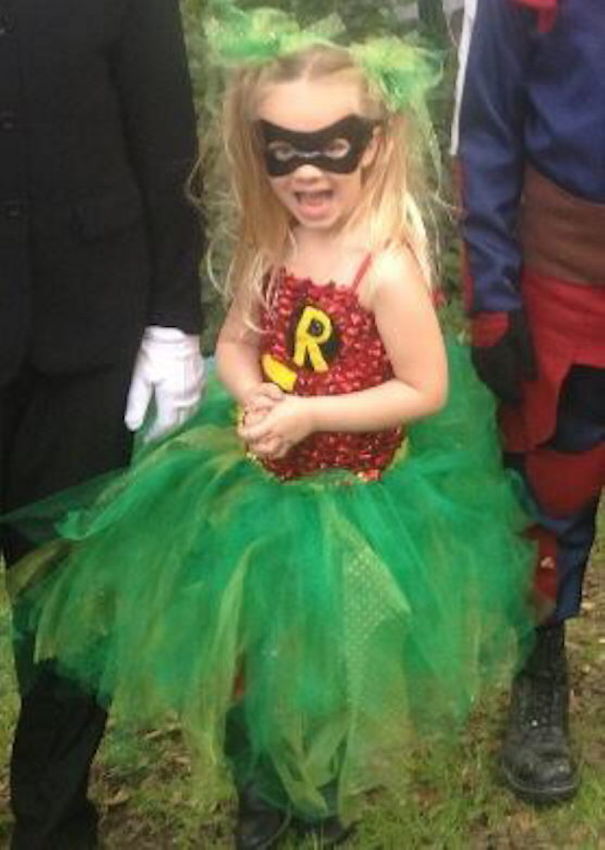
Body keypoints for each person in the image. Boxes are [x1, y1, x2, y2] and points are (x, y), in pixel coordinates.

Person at [5, 6, 533, 848]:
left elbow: (424, 387)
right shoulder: (271, 247)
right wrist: (252, 395)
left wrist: (312, 412)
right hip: (261, 492)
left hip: (354, 502)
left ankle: (316, 798)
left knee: (327, 661)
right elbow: (237, 345)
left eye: (332, 147)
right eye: (282, 151)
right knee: (252, 653)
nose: (307, 172)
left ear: (376, 144)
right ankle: (260, 794)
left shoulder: (384, 268)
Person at [0, 1, 205, 847]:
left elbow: (168, 141)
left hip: (86, 331)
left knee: (68, 602)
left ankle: (52, 824)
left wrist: (174, 318)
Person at [453, 0, 605, 805]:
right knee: (555, 481)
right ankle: (538, 674)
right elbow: (484, 128)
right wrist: (491, 293)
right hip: (566, 276)